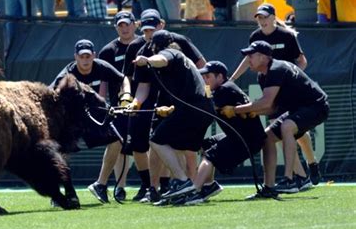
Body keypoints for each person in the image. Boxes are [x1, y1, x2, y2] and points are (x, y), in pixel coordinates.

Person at [230, 3, 321, 185]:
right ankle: (301, 177)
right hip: (271, 90)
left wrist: (294, 80)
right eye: (259, 18)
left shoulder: (286, 36)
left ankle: (312, 163)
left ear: (273, 17)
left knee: (300, 134)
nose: (262, 21)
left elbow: (301, 61)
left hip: (290, 92)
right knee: (278, 132)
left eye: (265, 17)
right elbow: (249, 61)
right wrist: (231, 80)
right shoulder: (255, 37)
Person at [226, 41, 329, 198]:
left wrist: (235, 110)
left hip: (316, 106)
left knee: (287, 127)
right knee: (266, 138)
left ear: (263, 57)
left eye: (251, 55)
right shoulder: (263, 76)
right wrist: (253, 112)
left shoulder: (276, 69)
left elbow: (265, 102)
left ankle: (290, 180)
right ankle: (269, 187)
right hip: (297, 109)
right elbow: (272, 107)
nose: (248, 60)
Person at [125, 15, 207, 202]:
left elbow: (161, 59)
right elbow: (143, 88)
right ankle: (191, 191)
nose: (148, 35)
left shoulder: (172, 52)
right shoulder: (149, 52)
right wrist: (135, 104)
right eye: (145, 30)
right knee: (177, 145)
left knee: (158, 140)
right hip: (193, 107)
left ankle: (182, 181)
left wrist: (148, 60)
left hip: (192, 106)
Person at [51, 39, 131, 204]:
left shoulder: (101, 66)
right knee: (60, 152)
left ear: (94, 55)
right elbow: (51, 94)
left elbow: (123, 79)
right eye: (82, 56)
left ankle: (100, 185)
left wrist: (126, 96)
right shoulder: (66, 74)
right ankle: (61, 191)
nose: (85, 60)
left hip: (94, 117)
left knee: (116, 141)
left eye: (88, 56)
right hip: (71, 120)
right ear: (76, 57)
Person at [181, 61, 267, 205]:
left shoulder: (224, 90)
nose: (204, 80)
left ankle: (194, 191)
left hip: (246, 140)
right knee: (206, 145)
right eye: (203, 77)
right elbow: (207, 99)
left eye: (208, 76)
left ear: (220, 77)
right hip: (242, 136)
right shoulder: (224, 89)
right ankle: (209, 186)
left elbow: (204, 104)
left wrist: (176, 108)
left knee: (210, 156)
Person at [94, 10, 138, 201]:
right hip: (119, 106)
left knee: (148, 145)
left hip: (145, 103)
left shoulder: (144, 45)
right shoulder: (108, 51)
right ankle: (120, 187)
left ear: (134, 25)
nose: (124, 28)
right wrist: (101, 103)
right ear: (115, 27)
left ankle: (155, 186)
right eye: (120, 25)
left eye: (127, 24)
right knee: (118, 145)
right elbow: (103, 82)